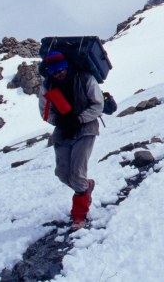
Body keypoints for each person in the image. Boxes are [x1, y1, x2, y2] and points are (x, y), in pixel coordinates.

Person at [38, 51, 103, 228]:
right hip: (63, 131)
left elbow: (98, 105)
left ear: (67, 65)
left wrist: (79, 119)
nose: (59, 73)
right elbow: (45, 112)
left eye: (61, 68)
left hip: (86, 128)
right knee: (62, 173)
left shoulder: (85, 78)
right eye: (54, 70)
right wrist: (59, 121)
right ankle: (86, 187)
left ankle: (79, 216)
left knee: (77, 173)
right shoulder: (48, 85)